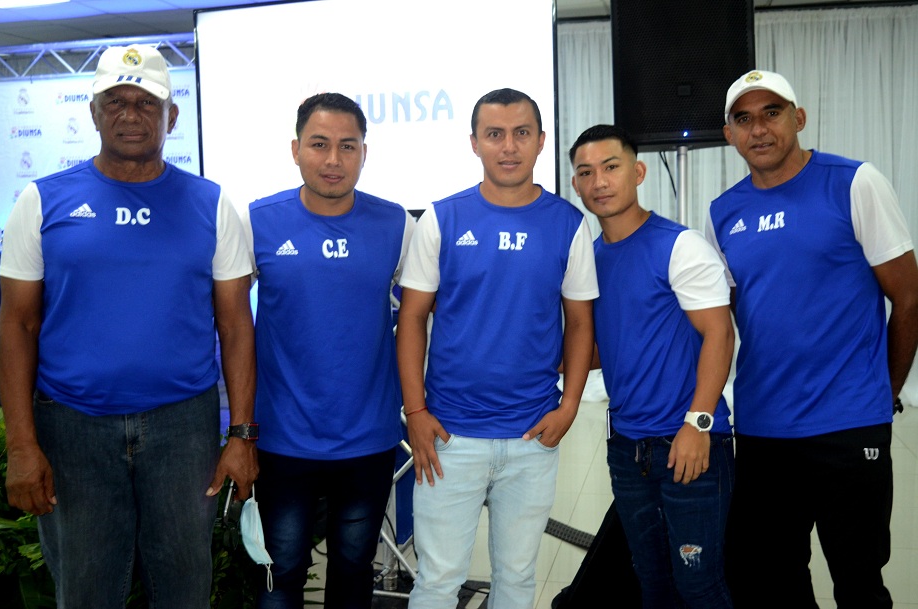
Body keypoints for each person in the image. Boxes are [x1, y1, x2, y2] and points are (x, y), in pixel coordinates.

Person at [0, 45, 257, 608]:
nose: (130, 114)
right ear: (93, 112)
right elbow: (16, 324)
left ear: (172, 117)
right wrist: (22, 444)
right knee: (87, 593)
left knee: (185, 592)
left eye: (146, 102)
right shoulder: (42, 200)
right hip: (72, 428)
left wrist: (241, 434)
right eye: (116, 101)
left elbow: (236, 326)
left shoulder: (213, 205)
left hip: (182, 427)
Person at [707, 69, 918, 608]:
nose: (759, 129)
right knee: (774, 578)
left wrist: (882, 391)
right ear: (729, 133)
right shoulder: (722, 212)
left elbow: (909, 298)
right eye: (743, 119)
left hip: (849, 427)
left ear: (798, 118)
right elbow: (724, 320)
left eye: (772, 113)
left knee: (859, 579)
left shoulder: (853, 182)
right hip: (763, 429)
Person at [396, 88, 598, 609]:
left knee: (517, 578)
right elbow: (413, 318)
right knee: (438, 580)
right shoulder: (442, 219)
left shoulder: (568, 224)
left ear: (539, 142)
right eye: (495, 134)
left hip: (533, 437)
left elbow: (579, 323)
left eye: (521, 133)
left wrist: (571, 403)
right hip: (450, 437)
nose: (508, 147)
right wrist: (415, 410)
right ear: (475, 143)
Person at [242, 92, 415, 609]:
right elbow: (228, 323)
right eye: (319, 145)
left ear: (365, 152)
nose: (333, 159)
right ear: (295, 149)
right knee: (282, 572)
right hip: (281, 439)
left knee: (352, 573)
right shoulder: (257, 222)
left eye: (348, 146)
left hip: (368, 438)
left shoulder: (396, 225)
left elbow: (422, 317)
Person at [568, 124, 735, 608]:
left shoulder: (679, 246)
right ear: (576, 185)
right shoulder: (590, 259)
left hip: (689, 443)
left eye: (611, 167)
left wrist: (697, 423)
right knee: (652, 584)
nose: (599, 181)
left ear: (638, 171)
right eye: (585, 172)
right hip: (627, 450)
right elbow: (599, 347)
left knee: (699, 586)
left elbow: (719, 334)